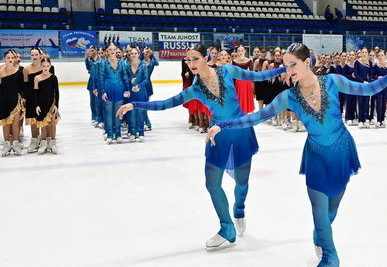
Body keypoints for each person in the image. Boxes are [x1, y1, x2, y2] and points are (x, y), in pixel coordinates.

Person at [206, 43, 387, 267]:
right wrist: (223, 125)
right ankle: (330, 260)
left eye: (293, 64)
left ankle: (320, 236)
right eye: (286, 66)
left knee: (331, 210)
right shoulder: (289, 96)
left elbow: (369, 90)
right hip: (316, 155)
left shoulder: (333, 82)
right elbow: (255, 117)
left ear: (308, 62)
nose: (289, 70)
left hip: (341, 151)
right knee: (319, 210)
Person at [117, 44, 286, 251]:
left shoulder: (227, 70)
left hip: (241, 132)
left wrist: (283, 68)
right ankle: (227, 228)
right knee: (212, 183)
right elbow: (165, 104)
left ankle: (239, 208)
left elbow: (257, 77)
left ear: (206, 57)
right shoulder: (195, 89)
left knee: (242, 183)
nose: (191, 63)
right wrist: (135, 104)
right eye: (188, 60)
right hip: (218, 135)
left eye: (195, 58)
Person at [0, 49, 24, 156]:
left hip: (16, 99)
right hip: (4, 100)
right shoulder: (0, 72)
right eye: (8, 58)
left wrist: (22, 99)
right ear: (4, 59)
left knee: (15, 122)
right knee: (6, 122)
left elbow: (22, 87)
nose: (11, 60)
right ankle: (7, 144)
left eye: (12, 58)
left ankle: (15, 143)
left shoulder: (20, 70)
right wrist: (1, 101)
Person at [34, 56, 60, 154]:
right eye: (44, 66)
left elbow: (56, 92)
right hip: (41, 104)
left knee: (52, 123)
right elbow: (35, 93)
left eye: (47, 66)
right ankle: (44, 143)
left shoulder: (53, 77)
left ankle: (53, 143)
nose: (45, 68)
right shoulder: (37, 78)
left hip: (51, 104)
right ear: (41, 66)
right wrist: (36, 105)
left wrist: (56, 105)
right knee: (43, 124)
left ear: (50, 66)